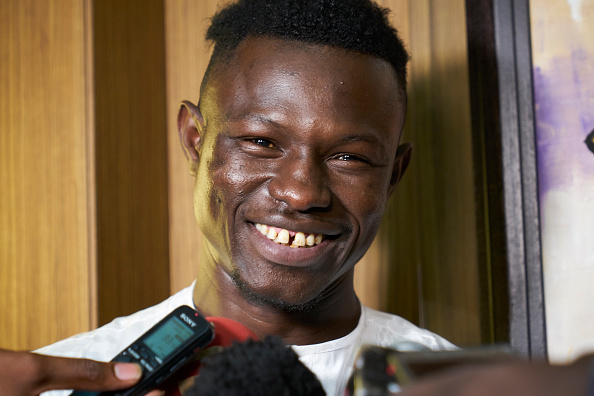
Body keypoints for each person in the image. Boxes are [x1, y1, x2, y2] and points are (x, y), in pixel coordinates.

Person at [2, 0, 456, 395]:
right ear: (196, 140)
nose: (300, 193)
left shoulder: (460, 386)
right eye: (261, 142)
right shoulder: (63, 384)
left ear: (393, 175)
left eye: (349, 157)